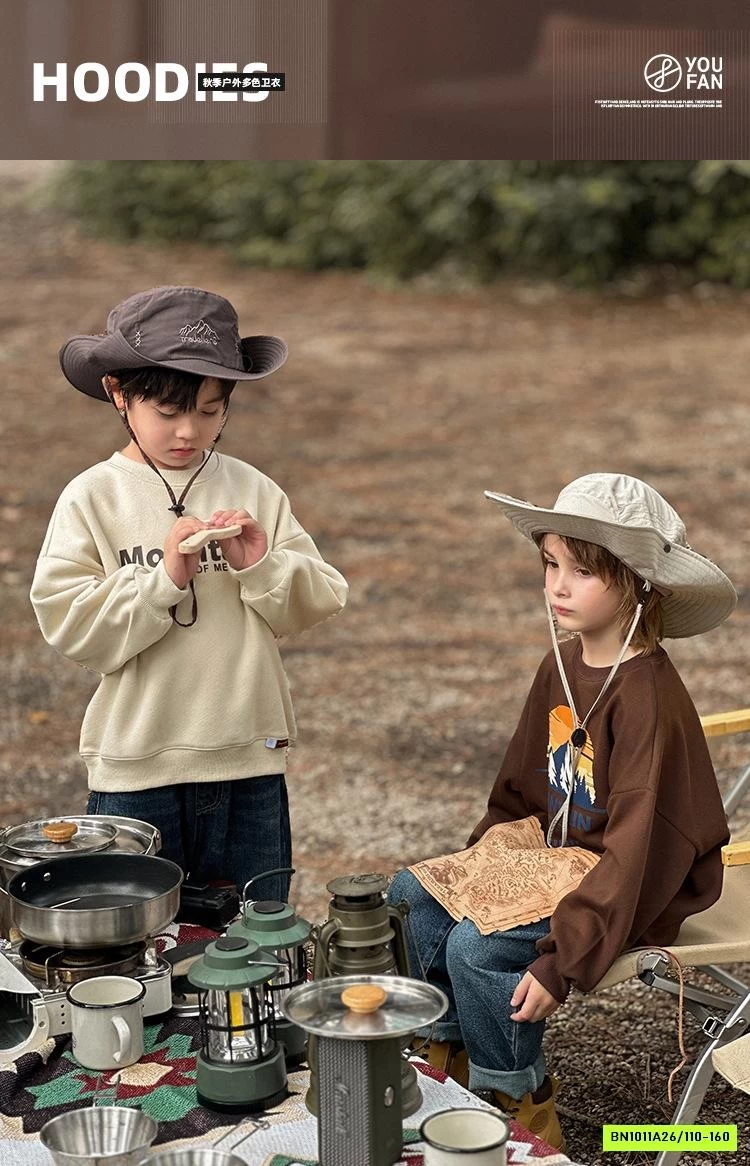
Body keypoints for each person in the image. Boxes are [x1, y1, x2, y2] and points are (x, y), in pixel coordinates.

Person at [389, 473, 736, 1148]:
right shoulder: (562, 664)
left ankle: (516, 1098)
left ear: (638, 584)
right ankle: (450, 1054)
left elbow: (637, 851)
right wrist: (471, 874)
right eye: (551, 564)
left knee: (479, 948)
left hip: (632, 884)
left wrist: (561, 959)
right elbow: (518, 793)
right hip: (562, 862)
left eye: (583, 571)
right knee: (413, 896)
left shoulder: (648, 699)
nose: (557, 586)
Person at [30, 285, 348, 902]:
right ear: (118, 394)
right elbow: (72, 627)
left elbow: (320, 599)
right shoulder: (92, 497)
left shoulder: (253, 488)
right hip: (135, 765)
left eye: (209, 411)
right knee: (142, 947)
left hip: (248, 758)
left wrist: (261, 566)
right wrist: (164, 579)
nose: (188, 430)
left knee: (258, 944)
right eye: (167, 412)